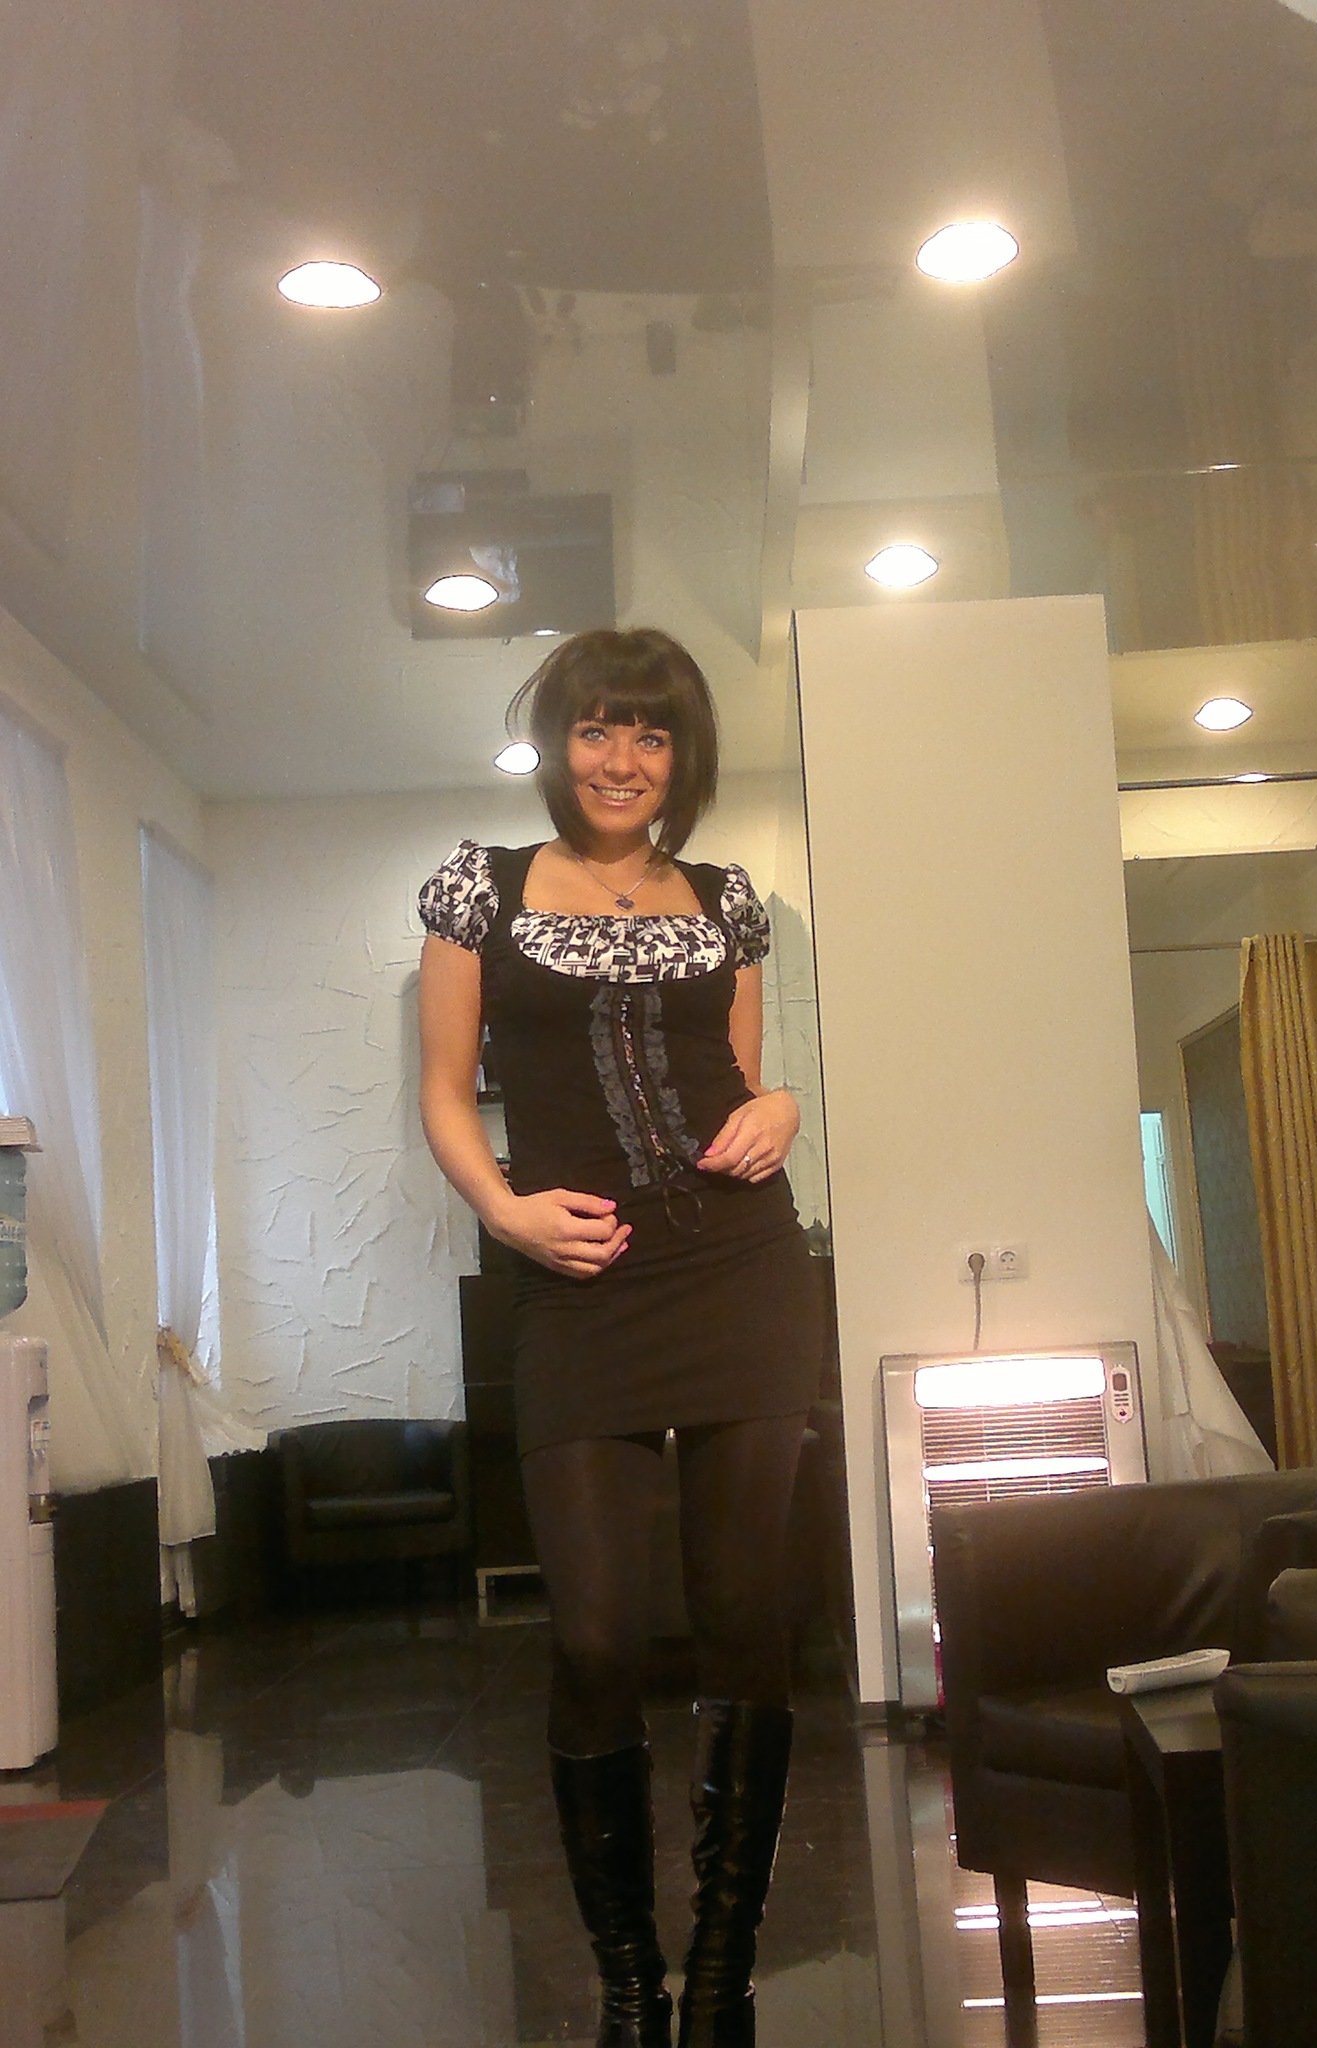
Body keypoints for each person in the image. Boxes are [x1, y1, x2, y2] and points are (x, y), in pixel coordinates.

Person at [417, 627, 820, 2048]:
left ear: (681, 757)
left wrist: (783, 1109)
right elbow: (445, 1089)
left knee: (746, 1622)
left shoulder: (728, 900)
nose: (622, 759)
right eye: (596, 728)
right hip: (577, 1279)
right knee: (594, 1637)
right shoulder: (478, 889)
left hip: (741, 1271)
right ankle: (628, 1975)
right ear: (557, 744)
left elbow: (744, 1084)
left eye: (651, 734)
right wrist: (505, 1212)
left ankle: (719, 1970)